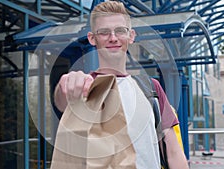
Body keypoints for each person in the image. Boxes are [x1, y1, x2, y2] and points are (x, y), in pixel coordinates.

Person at [53, 1, 189, 169]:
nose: (113, 38)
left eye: (120, 31)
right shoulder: (85, 87)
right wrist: (64, 85)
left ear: (131, 36)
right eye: (104, 32)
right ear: (92, 38)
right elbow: (62, 101)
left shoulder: (151, 88)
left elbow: (174, 153)